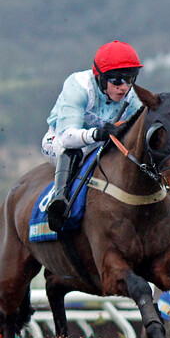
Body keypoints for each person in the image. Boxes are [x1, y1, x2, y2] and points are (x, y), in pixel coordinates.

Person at [42, 40, 144, 232]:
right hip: (59, 139)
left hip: (99, 143)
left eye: (130, 79)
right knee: (73, 150)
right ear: (101, 78)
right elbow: (67, 136)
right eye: (117, 80)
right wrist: (97, 133)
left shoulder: (131, 97)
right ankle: (60, 201)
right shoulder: (78, 86)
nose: (124, 87)